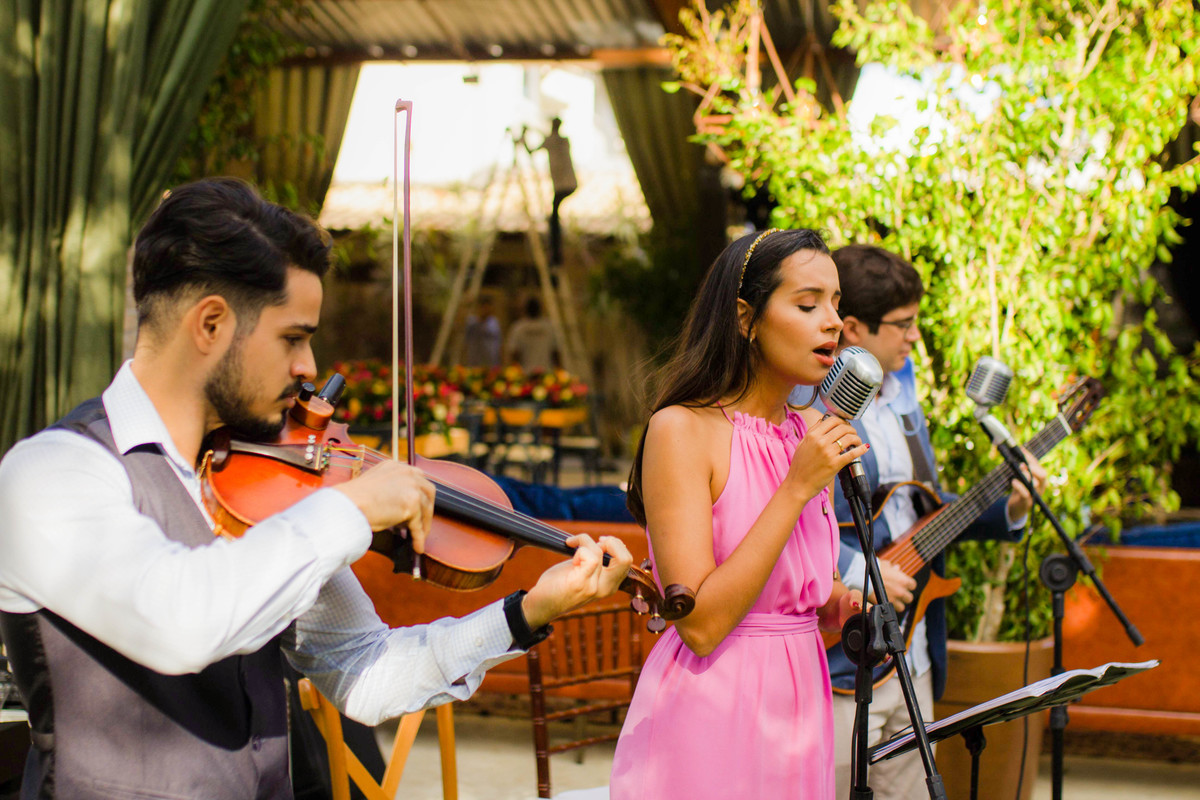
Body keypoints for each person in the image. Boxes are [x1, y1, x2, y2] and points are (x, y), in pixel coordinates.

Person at [0, 178, 633, 800]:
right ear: (211, 325)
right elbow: (180, 622)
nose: (309, 367)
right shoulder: (53, 473)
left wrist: (527, 612)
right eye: (293, 337)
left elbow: (366, 673)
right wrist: (349, 507)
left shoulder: (267, 493)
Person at [609, 228, 868, 799]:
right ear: (746, 318)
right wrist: (797, 488)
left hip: (800, 710)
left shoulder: (805, 434)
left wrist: (847, 605)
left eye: (836, 305)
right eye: (808, 304)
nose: (833, 323)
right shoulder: (681, 430)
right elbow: (700, 625)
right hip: (713, 710)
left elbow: (804, 600)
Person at [802, 244, 1048, 799]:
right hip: (840, 654)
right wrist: (858, 571)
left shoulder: (906, 396)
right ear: (855, 328)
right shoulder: (806, 404)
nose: (915, 337)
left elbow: (924, 510)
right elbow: (785, 516)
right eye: (903, 325)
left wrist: (1009, 506)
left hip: (911, 650)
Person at [525, 117, 577, 265]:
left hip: (562, 185)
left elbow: (533, 149)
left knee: (554, 219)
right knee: (554, 215)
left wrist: (525, 134)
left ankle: (556, 255)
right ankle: (556, 253)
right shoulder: (563, 141)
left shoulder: (553, 141)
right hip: (568, 184)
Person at [504, 296, 558, 372]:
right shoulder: (549, 327)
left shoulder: (518, 327)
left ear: (525, 310)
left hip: (525, 372)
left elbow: (514, 353)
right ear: (540, 309)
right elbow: (555, 352)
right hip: (546, 373)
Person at [463, 294, 501, 367]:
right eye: (484, 307)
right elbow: (465, 342)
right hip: (475, 364)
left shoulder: (494, 323)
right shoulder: (472, 322)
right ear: (480, 307)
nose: (487, 310)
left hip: (491, 364)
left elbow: (499, 343)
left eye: (489, 307)